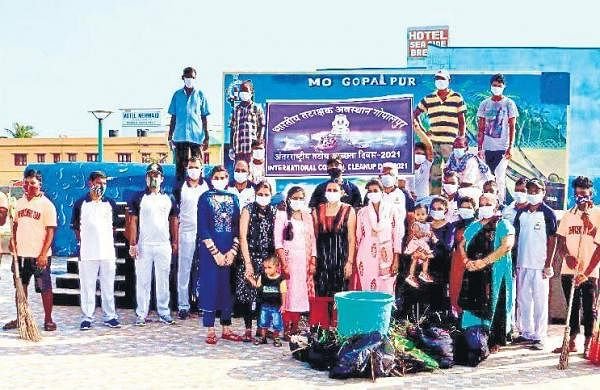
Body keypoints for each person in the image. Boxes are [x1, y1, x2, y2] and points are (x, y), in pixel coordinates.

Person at [3, 169, 57, 332]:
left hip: (39, 257)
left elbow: (50, 231)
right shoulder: (19, 202)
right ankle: (21, 318)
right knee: (20, 286)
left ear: (39, 184)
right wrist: (13, 240)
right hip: (21, 256)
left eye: (32, 183)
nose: (28, 186)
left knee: (44, 288)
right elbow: (16, 224)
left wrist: (43, 254)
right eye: (26, 183)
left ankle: (48, 319)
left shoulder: (47, 205)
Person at [460, 193, 515, 353]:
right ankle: (473, 337)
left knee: (496, 303)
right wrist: (466, 261)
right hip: (474, 273)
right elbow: (462, 245)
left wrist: (483, 262)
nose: (484, 206)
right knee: (473, 304)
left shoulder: (503, 224)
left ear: (496, 206)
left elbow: (507, 246)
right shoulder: (473, 226)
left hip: (495, 274)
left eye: (488, 203)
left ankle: (494, 339)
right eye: (482, 203)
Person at [551, 176, 600, 358]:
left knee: (589, 308)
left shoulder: (598, 214)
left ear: (591, 194)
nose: (582, 198)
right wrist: (567, 256)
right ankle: (571, 341)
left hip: (590, 271)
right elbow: (561, 241)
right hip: (569, 269)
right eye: (578, 194)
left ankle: (588, 342)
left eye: (585, 194)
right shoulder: (568, 215)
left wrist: (586, 273)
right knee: (572, 306)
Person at [127, 163, 178, 326]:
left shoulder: (169, 198)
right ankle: (141, 313)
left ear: (162, 178)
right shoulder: (139, 197)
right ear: (146, 178)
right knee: (142, 280)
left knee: (163, 279)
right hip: (145, 245)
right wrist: (133, 243)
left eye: (156, 175)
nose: (153, 178)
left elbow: (174, 221)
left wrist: (175, 241)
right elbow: (133, 221)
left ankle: (164, 312)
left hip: (163, 244)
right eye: (150, 175)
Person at [196, 165, 242, 344]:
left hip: (230, 251)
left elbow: (238, 226)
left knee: (227, 288)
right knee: (211, 286)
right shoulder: (204, 198)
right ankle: (210, 329)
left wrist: (233, 251)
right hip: (210, 253)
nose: (220, 179)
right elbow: (203, 227)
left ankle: (227, 327)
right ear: (210, 178)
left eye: (224, 176)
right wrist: (215, 253)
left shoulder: (234, 198)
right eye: (217, 176)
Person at [71, 171, 120, 330]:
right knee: (87, 286)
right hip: (88, 252)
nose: (101, 186)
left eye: (104, 183)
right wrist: (84, 244)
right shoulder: (80, 203)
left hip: (107, 253)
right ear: (90, 183)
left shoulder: (110, 203)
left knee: (108, 285)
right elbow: (76, 228)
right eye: (98, 183)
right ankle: (87, 317)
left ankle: (110, 316)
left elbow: (113, 227)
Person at [513, 178, 557, 350]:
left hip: (540, 264)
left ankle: (539, 336)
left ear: (543, 193)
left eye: (536, 191)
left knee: (540, 300)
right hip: (522, 262)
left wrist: (549, 264)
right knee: (523, 299)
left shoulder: (548, 213)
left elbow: (553, 239)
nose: (532, 194)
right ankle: (525, 332)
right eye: (529, 191)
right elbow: (515, 237)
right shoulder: (521, 213)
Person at [235, 181, 276, 342]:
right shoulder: (248, 210)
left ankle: (261, 327)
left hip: (267, 261)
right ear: (255, 194)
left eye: (266, 195)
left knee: (263, 295)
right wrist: (248, 263)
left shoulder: (273, 211)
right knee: (247, 295)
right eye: (260, 194)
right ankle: (247, 329)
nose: (263, 197)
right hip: (249, 257)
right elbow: (243, 237)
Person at [312, 180, 357, 327]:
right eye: (329, 190)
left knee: (340, 296)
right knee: (322, 295)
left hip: (341, 260)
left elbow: (352, 238)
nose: (331, 192)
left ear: (342, 193)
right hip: (322, 262)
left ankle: (339, 329)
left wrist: (350, 262)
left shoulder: (349, 211)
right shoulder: (317, 211)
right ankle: (322, 330)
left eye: (334, 190)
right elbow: (313, 237)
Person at [414, 70, 467, 194]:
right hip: (435, 143)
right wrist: (423, 130)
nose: (440, 81)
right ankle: (435, 198)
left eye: (442, 79)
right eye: (437, 79)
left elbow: (461, 120)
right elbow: (415, 114)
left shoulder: (457, 97)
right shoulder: (428, 98)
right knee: (435, 174)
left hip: (451, 142)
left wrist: (461, 137)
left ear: (449, 81)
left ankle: (455, 198)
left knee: (453, 173)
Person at [274, 186, 316, 337]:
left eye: (300, 198)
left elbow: (313, 240)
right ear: (289, 199)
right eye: (295, 198)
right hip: (287, 260)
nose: (297, 201)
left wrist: (313, 261)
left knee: (299, 295)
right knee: (287, 293)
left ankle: (295, 326)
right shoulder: (282, 215)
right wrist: (283, 263)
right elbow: (278, 241)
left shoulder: (307, 217)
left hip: (303, 261)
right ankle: (286, 326)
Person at [173, 157, 209, 319]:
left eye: (196, 167)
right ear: (187, 168)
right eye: (191, 167)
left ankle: (202, 303)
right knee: (184, 268)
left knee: (203, 269)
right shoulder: (180, 186)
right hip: (185, 231)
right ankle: (183, 305)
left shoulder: (207, 185)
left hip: (204, 231)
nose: (194, 170)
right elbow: (175, 213)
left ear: (202, 169)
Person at [355, 179, 402, 294]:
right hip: (366, 257)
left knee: (386, 288)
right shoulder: (362, 213)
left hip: (387, 255)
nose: (372, 193)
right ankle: (369, 312)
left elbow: (397, 235)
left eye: (375, 190)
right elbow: (358, 237)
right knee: (368, 289)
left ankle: (384, 312)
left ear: (382, 192)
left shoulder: (392, 210)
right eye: (370, 191)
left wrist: (396, 258)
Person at [477, 74, 518, 204]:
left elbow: (512, 127)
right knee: (486, 178)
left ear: (504, 87)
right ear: (490, 86)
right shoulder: (484, 104)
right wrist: (480, 148)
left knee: (500, 178)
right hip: (487, 148)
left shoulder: (509, 104)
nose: (496, 88)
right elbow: (481, 127)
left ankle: (501, 203)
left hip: (502, 148)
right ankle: (485, 203)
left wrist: (510, 147)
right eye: (494, 85)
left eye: (499, 86)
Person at [168, 66, 210, 182]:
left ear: (195, 78)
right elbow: (173, 117)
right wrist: (169, 137)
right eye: (187, 77)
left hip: (196, 136)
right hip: (180, 137)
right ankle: (179, 194)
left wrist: (207, 136)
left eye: (192, 77)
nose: (190, 79)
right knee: (181, 168)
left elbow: (204, 117)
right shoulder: (177, 95)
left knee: (198, 166)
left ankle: (200, 189)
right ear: (183, 78)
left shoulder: (200, 95)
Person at [250, 256, 287, 347]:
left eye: (269, 267)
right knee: (263, 322)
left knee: (277, 323)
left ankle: (276, 338)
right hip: (264, 305)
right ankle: (263, 337)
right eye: (265, 268)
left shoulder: (281, 279)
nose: (266, 270)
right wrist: (251, 279)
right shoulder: (262, 277)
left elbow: (283, 293)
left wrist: (283, 305)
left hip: (276, 306)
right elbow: (258, 287)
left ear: (277, 267)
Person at [449, 196, 477, 315]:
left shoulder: (479, 226)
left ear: (475, 209)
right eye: (463, 207)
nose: (465, 210)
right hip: (457, 262)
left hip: (472, 261)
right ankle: (458, 316)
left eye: (469, 207)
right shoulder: (455, 226)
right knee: (456, 287)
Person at [426, 197, 455, 310]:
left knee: (440, 295)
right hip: (426, 265)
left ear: (445, 210)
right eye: (433, 208)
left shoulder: (449, 226)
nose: (436, 211)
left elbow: (448, 246)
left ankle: (441, 322)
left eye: (439, 208)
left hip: (442, 266)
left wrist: (434, 238)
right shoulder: (425, 225)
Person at [229, 80, 266, 163]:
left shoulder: (257, 108)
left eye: (245, 90)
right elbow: (232, 130)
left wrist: (258, 142)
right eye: (241, 90)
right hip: (238, 150)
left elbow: (262, 126)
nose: (243, 93)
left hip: (251, 150)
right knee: (240, 171)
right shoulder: (235, 110)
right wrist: (231, 148)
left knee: (252, 172)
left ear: (251, 92)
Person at [404, 204, 438, 287]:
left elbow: (431, 232)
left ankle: (423, 273)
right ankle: (412, 275)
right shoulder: (416, 224)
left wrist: (433, 237)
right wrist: (427, 234)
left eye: (423, 214)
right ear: (414, 215)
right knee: (417, 258)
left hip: (423, 244)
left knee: (424, 258)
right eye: (418, 214)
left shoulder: (428, 224)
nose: (420, 216)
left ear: (427, 215)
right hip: (416, 243)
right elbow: (418, 234)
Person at [413, 118, 434, 200]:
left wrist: (417, 129)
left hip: (423, 200)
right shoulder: (406, 166)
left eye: (422, 154)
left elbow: (429, 147)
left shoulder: (426, 165)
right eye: (417, 153)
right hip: (408, 201)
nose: (419, 155)